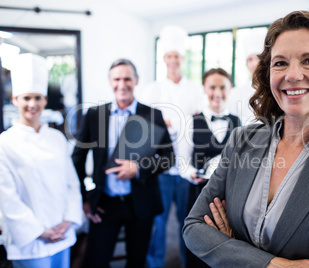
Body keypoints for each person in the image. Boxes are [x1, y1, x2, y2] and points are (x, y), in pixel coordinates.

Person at [183, 10, 309, 268]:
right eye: (280, 63)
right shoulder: (242, 140)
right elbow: (194, 228)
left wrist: (231, 246)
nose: (292, 75)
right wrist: (276, 264)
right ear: (268, 74)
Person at [72, 58, 175, 268]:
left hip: (141, 203)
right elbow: (77, 159)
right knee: (96, 261)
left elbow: (169, 158)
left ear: (136, 80)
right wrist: (84, 199)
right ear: (110, 82)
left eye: (127, 78)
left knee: (137, 261)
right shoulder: (94, 115)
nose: (122, 84)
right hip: (104, 203)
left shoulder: (152, 114)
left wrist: (139, 169)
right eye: (116, 79)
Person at [0, 53, 83, 268]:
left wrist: (68, 221)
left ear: (45, 100)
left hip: (62, 235)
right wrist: (39, 232)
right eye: (26, 98)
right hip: (29, 241)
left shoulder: (56, 138)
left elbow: (71, 184)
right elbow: (6, 197)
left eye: (37, 98)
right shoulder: (5, 142)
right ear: (15, 100)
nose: (32, 104)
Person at [137, 25, 207, 268]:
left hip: (187, 169)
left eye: (177, 56)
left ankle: (188, 264)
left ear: (182, 59)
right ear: (164, 59)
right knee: (159, 223)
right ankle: (155, 264)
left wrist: (171, 122)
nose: (173, 61)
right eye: (169, 56)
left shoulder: (195, 89)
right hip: (161, 169)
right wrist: (172, 122)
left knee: (188, 224)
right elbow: (144, 126)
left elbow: (200, 122)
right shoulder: (152, 89)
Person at [178, 68, 241, 267]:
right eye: (212, 87)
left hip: (230, 197)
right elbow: (182, 162)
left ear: (229, 88)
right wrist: (192, 174)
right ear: (204, 89)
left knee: (227, 245)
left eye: (222, 87)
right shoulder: (191, 121)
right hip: (198, 193)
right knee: (196, 244)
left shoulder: (238, 122)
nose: (217, 92)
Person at [226, 30, 266, 125]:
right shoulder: (236, 93)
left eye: (257, 58)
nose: (254, 63)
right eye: (250, 59)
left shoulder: (273, 90)